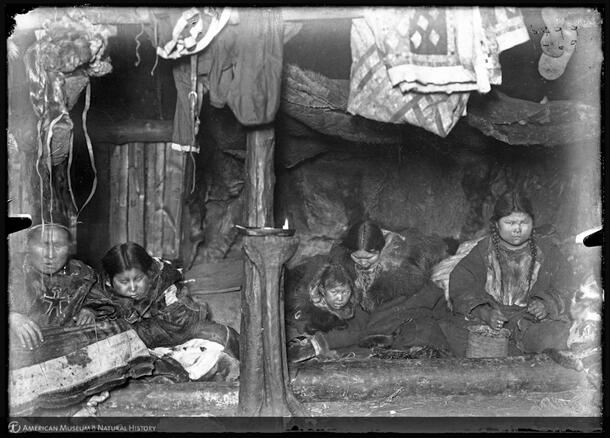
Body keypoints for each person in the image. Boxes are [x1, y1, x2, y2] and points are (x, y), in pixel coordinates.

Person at [439, 191, 574, 357]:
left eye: (524, 222)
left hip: (531, 323)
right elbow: (461, 284)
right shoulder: (483, 250)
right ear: (496, 224)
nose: (517, 229)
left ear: (532, 222)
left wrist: (546, 304)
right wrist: (483, 311)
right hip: (490, 321)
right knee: (443, 330)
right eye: (510, 222)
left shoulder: (547, 250)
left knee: (558, 335)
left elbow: (566, 283)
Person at [97, 242, 240, 381]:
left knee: (222, 337)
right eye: (124, 282)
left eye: (139, 279)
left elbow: (182, 324)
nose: (133, 287)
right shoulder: (102, 295)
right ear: (110, 280)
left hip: (177, 340)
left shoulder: (167, 286)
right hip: (140, 351)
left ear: (149, 272)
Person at [8, 223, 107, 350]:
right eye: (42, 244)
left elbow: (107, 303)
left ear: (70, 248)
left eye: (58, 245)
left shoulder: (82, 274)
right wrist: (12, 317)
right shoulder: (12, 270)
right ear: (27, 245)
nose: (50, 254)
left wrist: (90, 310)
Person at [328, 220, 453, 313]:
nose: (363, 263)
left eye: (368, 258)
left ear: (380, 249)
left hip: (399, 302)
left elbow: (409, 292)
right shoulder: (342, 260)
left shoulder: (399, 264)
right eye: (357, 258)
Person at [285, 257, 358, 339]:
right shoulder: (305, 308)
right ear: (322, 290)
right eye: (334, 292)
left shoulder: (355, 305)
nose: (340, 298)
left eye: (346, 292)